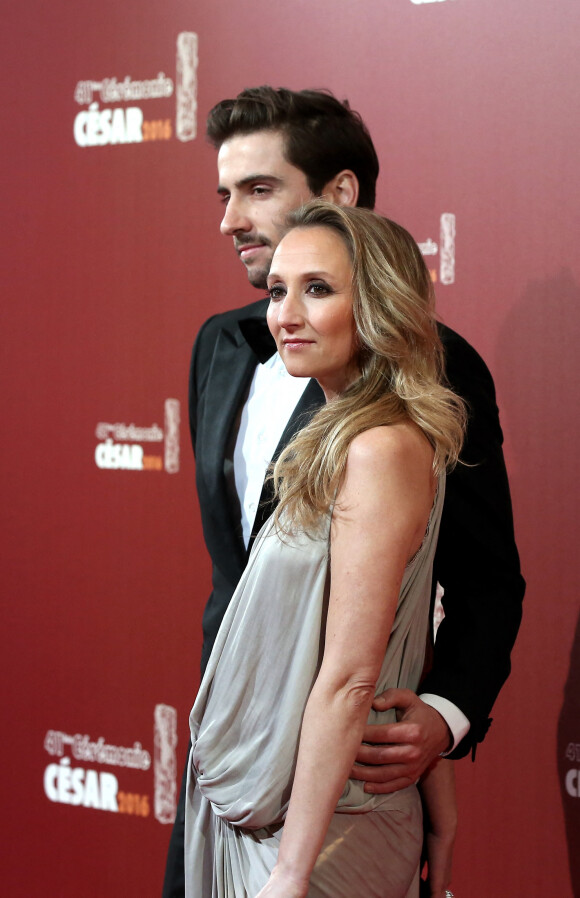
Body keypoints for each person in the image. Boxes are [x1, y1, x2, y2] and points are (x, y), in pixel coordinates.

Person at [162, 87, 524, 897]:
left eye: (258, 189)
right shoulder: (221, 346)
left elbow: (466, 584)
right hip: (227, 769)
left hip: (334, 799)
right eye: (224, 194)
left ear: (340, 195)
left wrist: (443, 718)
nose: (229, 219)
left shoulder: (432, 374)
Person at [185, 200, 466, 898]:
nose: (286, 313)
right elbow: (413, 628)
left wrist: (291, 874)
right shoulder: (343, 438)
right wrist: (444, 812)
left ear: (377, 303)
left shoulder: (380, 448)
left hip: (320, 829)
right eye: (278, 290)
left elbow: (352, 676)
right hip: (264, 810)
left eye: (318, 289)